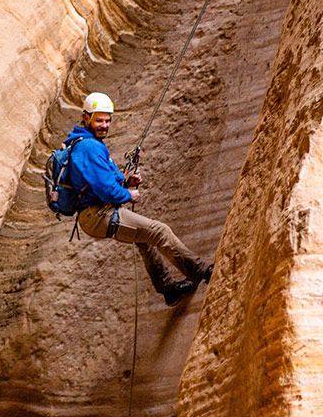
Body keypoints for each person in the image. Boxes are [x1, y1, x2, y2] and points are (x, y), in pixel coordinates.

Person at [65, 92, 213, 305]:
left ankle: (168, 289)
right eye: (99, 120)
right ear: (86, 118)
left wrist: (126, 181)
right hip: (99, 214)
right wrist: (127, 194)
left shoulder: (87, 144)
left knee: (145, 240)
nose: (104, 125)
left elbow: (103, 180)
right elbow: (104, 188)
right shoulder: (89, 147)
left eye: (107, 120)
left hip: (96, 214)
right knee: (159, 231)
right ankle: (202, 271)